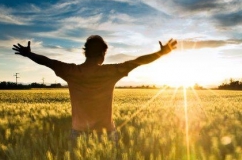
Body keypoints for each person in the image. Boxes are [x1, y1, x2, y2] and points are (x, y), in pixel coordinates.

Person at [12, 35, 177, 141]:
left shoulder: (71, 72)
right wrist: (161, 53)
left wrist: (29, 54)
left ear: (85, 53)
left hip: (78, 135)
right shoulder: (110, 72)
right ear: (103, 54)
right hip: (107, 134)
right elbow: (137, 61)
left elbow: (48, 61)